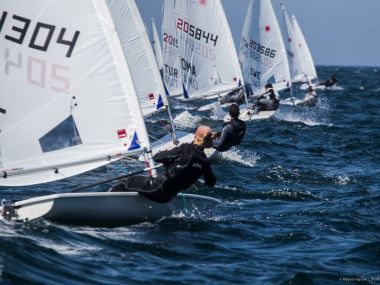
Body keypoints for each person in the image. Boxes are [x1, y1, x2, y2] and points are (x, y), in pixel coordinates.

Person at [108, 126, 216, 203]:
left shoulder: (184, 149)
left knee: (127, 181)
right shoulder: (205, 161)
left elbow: (157, 158)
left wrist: (168, 160)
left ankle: (107, 203)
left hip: (156, 188)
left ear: (196, 136)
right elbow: (211, 182)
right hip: (168, 197)